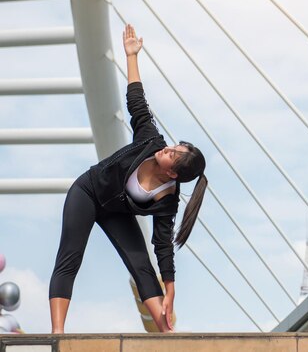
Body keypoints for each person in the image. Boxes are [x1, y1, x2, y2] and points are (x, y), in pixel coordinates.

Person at [49, 24, 208, 333]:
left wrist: (171, 288)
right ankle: (57, 334)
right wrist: (132, 55)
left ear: (172, 173)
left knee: (144, 269)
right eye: (174, 146)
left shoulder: (167, 199)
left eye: (173, 153)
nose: (167, 149)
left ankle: (167, 334)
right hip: (88, 191)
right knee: (70, 257)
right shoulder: (151, 140)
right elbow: (137, 102)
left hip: (117, 213)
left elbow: (162, 245)